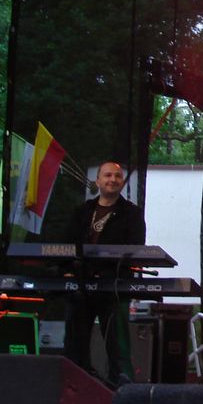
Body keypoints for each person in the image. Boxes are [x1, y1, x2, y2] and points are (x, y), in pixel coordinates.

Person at [63, 161, 146, 386]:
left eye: (117, 176)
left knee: (118, 346)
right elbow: (66, 246)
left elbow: (136, 248)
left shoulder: (131, 213)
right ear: (98, 181)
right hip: (80, 285)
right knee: (75, 346)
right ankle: (75, 388)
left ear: (122, 182)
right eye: (108, 175)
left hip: (113, 287)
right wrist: (68, 271)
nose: (113, 179)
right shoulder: (82, 211)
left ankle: (122, 391)